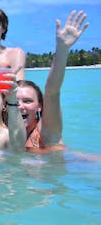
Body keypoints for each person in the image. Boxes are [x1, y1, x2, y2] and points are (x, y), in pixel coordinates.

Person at [19, 10, 88, 152]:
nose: (20, 106)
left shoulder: (46, 131)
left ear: (40, 106)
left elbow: (52, 90)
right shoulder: (6, 134)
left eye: (27, 101)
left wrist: (62, 49)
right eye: (16, 101)